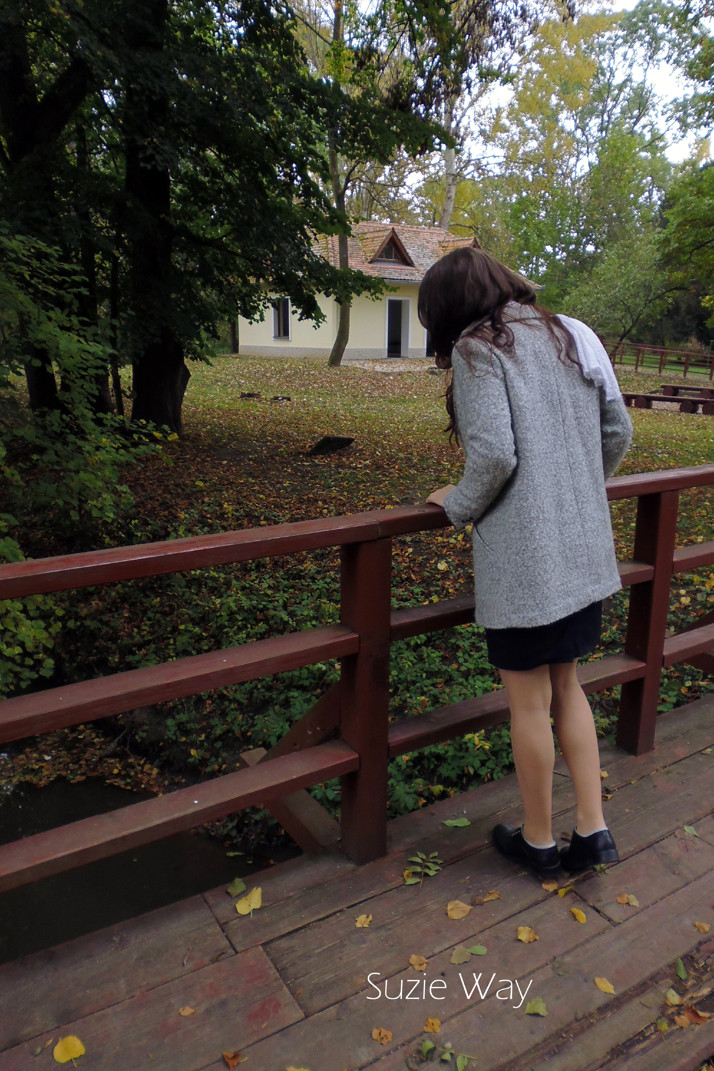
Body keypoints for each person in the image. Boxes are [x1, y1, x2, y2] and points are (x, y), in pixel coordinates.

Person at [418, 246, 632, 879]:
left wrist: (456, 504)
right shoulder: (571, 332)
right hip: (582, 549)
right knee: (569, 686)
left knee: (529, 705)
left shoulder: (479, 347)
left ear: (449, 308)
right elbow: (618, 430)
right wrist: (575, 490)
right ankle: (593, 831)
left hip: (527, 562)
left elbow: (494, 457)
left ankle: (538, 841)